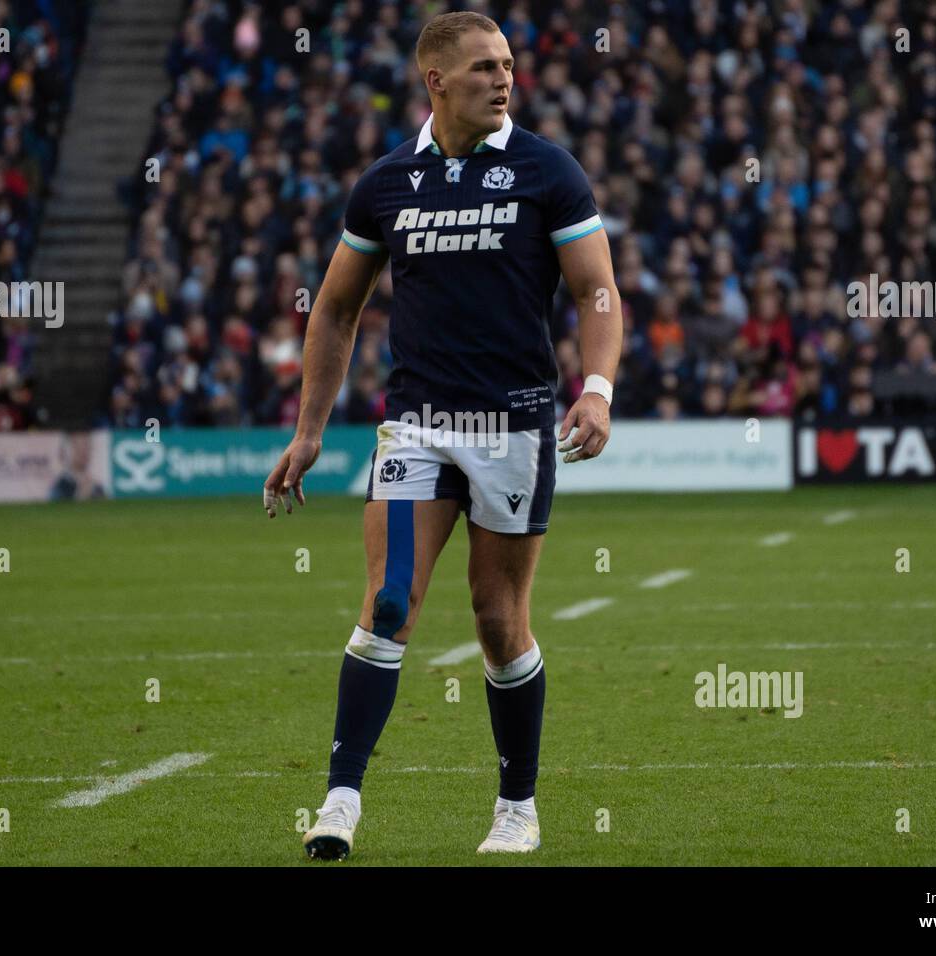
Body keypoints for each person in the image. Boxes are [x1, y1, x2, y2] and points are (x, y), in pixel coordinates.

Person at [262, 11, 621, 859]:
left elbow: (597, 293)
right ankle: (341, 800)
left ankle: (516, 807)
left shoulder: (547, 171)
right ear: (436, 81)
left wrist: (597, 389)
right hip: (417, 426)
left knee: (498, 621)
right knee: (390, 602)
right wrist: (310, 431)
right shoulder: (386, 183)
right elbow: (337, 308)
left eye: (508, 65)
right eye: (484, 69)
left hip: (514, 426)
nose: (504, 80)